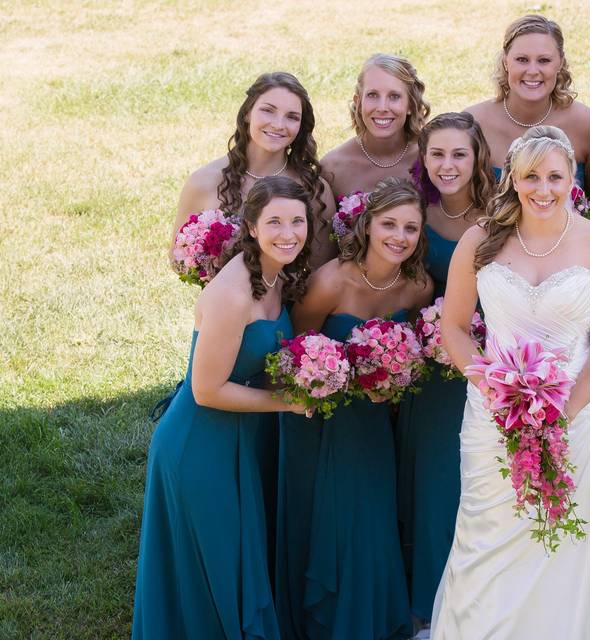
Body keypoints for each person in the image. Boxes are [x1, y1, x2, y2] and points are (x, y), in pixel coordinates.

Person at [431, 125, 590, 639]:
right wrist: (491, 387)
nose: (543, 189)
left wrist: (559, 413)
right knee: (488, 538)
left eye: (555, 176)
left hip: (577, 409)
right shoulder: (481, 240)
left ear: (573, 177)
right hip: (493, 413)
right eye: (531, 177)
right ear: (512, 179)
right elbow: (454, 329)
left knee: (572, 543)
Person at [133, 176, 313, 639]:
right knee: (217, 564)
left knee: (240, 556)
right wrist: (288, 403)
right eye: (274, 221)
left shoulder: (277, 274)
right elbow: (206, 390)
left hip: (243, 434)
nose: (288, 232)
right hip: (201, 443)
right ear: (251, 226)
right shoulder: (232, 294)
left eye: (297, 220)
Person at [275, 178, 433, 640]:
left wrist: (395, 380)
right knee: (322, 518)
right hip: (316, 421)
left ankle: (369, 621)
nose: (398, 237)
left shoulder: (417, 287)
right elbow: (294, 354)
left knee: (370, 519)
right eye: (389, 224)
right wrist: (326, 380)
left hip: (372, 424)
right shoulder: (331, 282)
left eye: (410, 228)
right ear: (366, 225)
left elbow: (415, 362)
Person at [394, 112, 495, 630]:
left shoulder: (504, 209)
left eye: (459, 154)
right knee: (437, 484)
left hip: (496, 368)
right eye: (436, 154)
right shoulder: (417, 214)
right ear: (423, 159)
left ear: (478, 156)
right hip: (434, 372)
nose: (447, 165)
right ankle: (433, 602)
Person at [170, 71, 336, 268]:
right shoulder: (203, 182)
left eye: (292, 117)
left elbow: (322, 267)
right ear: (248, 112)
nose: (278, 124)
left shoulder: (314, 189)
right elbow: (178, 259)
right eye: (268, 110)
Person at [464, 15, 590, 193]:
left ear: (560, 63)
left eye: (544, 60)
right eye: (522, 59)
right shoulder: (473, 124)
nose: (533, 71)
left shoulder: (587, 125)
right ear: (506, 61)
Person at [321, 54, 431, 200]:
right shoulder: (333, 168)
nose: (382, 107)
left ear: (411, 104)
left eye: (394, 96)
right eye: (372, 95)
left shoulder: (430, 158)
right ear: (358, 102)